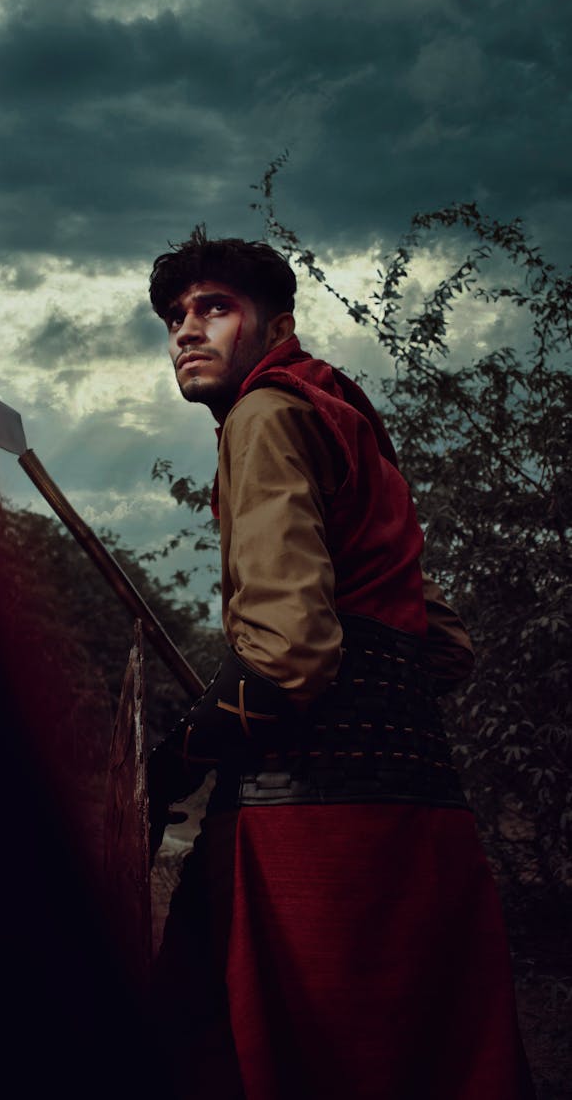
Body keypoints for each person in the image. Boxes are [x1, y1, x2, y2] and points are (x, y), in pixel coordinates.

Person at [146, 228, 535, 1100]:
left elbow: (288, 654)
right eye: (176, 315)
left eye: (215, 307)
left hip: (311, 832)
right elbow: (444, 644)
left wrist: (169, 765)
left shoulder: (265, 413)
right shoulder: (345, 416)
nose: (187, 330)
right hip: (423, 822)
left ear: (275, 322)